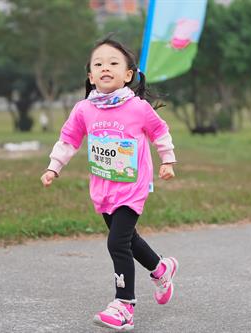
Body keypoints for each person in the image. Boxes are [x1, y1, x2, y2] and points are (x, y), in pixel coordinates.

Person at [40, 38, 178, 331]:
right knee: (129, 240)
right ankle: (161, 268)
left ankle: (124, 305)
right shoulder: (84, 110)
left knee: (116, 242)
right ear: (90, 76)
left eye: (113, 63)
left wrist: (168, 160)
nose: (105, 67)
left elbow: (160, 132)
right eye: (98, 64)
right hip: (103, 189)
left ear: (129, 74)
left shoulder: (138, 108)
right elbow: (68, 140)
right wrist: (54, 167)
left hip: (132, 187)